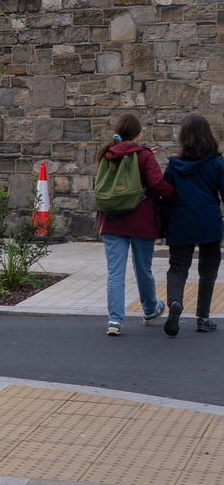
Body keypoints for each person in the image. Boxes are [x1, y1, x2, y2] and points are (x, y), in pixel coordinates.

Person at [97, 113, 173, 336]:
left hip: (111, 220)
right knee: (143, 269)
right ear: (138, 134)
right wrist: (174, 193)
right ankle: (150, 310)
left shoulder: (106, 154)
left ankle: (115, 320)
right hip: (141, 221)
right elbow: (157, 184)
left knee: (115, 273)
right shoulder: (144, 156)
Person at [162, 113, 224, 336]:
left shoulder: (174, 166)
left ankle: (175, 302)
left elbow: (166, 195)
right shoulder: (217, 163)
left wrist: (165, 224)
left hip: (181, 222)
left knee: (178, 267)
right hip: (209, 222)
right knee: (208, 270)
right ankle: (203, 317)